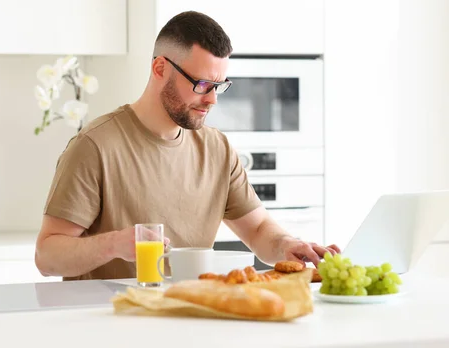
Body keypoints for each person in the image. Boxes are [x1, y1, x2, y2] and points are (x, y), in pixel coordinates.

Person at [34, 10, 341, 281]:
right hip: (113, 321)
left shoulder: (217, 149)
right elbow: (47, 257)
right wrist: (113, 244)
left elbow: (258, 228)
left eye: (219, 86)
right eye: (202, 84)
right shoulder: (95, 146)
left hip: (192, 315)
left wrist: (287, 244)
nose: (213, 99)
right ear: (159, 69)